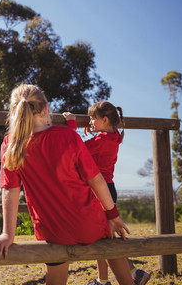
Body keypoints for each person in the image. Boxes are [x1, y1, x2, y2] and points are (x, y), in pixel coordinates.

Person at [0, 84, 134, 285]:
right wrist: (112, 215)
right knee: (111, 249)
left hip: (52, 230)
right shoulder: (68, 136)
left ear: (14, 111)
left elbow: (9, 190)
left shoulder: (10, 145)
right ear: (46, 108)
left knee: (55, 277)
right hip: (89, 223)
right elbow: (96, 180)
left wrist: (7, 234)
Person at [63, 102, 151, 285]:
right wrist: (95, 128)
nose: (90, 121)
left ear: (104, 120)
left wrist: (72, 124)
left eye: (93, 118)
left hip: (100, 191)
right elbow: (101, 138)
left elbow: (76, 148)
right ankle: (125, 275)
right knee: (104, 238)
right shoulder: (114, 136)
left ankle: (111, 279)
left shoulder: (102, 140)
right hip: (108, 189)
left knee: (102, 239)